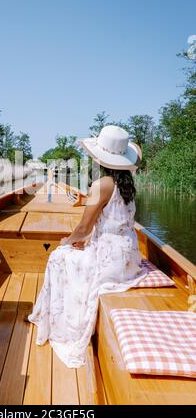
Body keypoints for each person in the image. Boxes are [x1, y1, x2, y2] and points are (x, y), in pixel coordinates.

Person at [26, 125, 147, 368]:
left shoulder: (101, 184)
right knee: (72, 252)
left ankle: (52, 320)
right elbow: (111, 216)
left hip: (109, 258)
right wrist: (87, 216)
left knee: (59, 257)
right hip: (129, 256)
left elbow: (83, 229)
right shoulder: (127, 184)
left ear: (101, 158)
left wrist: (66, 242)